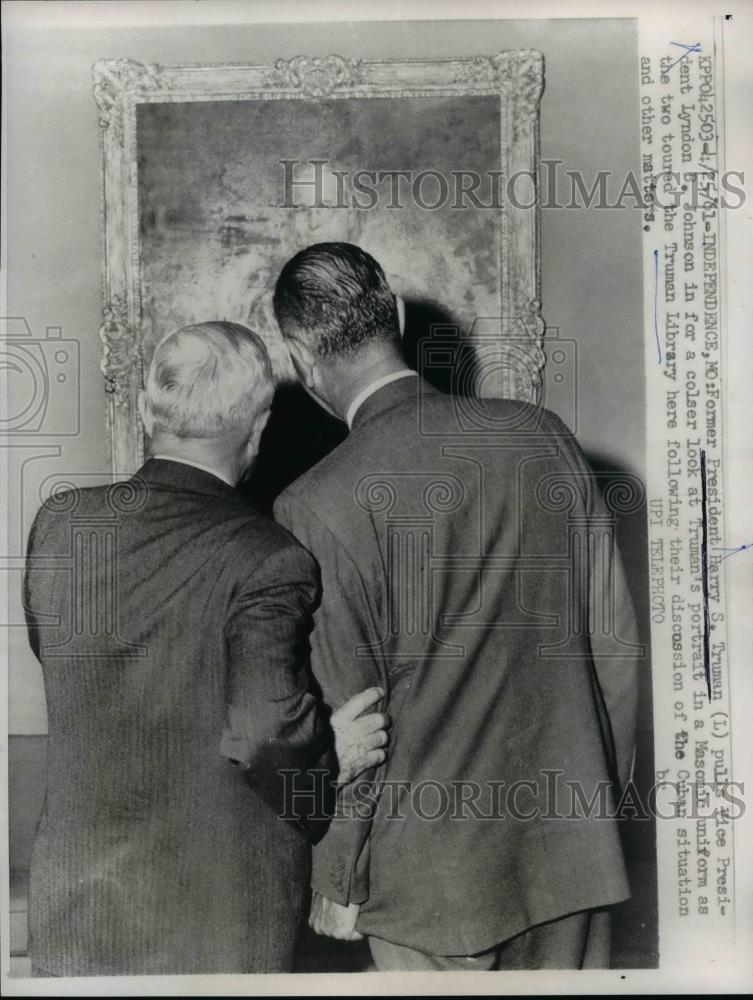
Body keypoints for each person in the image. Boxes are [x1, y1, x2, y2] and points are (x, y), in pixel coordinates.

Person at [272, 243, 642, 971]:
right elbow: (616, 649)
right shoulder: (539, 436)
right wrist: (602, 808)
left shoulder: (315, 503)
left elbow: (356, 717)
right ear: (397, 315)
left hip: (430, 889)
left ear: (301, 356)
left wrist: (338, 877)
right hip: (571, 856)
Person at [23, 321, 388, 976]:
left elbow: (63, 658)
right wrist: (327, 758)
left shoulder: (61, 524)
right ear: (258, 429)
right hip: (215, 920)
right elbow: (266, 736)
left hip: (79, 910)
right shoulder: (268, 557)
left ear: (146, 410)